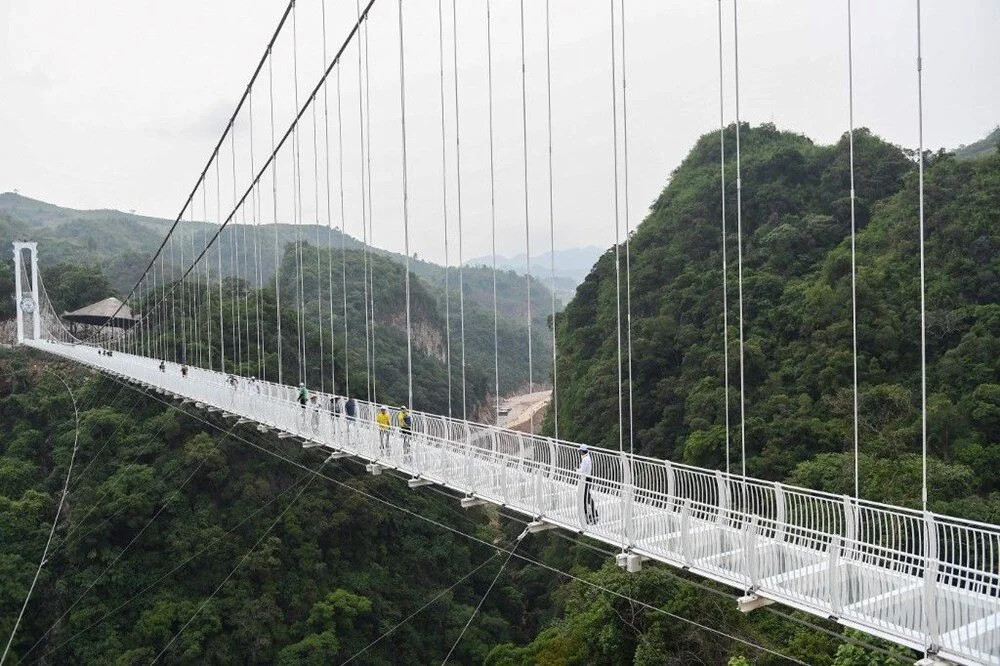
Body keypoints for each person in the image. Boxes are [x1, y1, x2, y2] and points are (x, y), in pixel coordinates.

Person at [578, 444, 598, 525]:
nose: (580, 453)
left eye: (580, 451)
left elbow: (582, 470)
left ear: (583, 451)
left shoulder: (585, 459)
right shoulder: (588, 458)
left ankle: (588, 513)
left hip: (585, 479)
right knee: (587, 496)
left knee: (584, 496)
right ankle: (593, 512)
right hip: (588, 478)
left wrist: (576, 470)